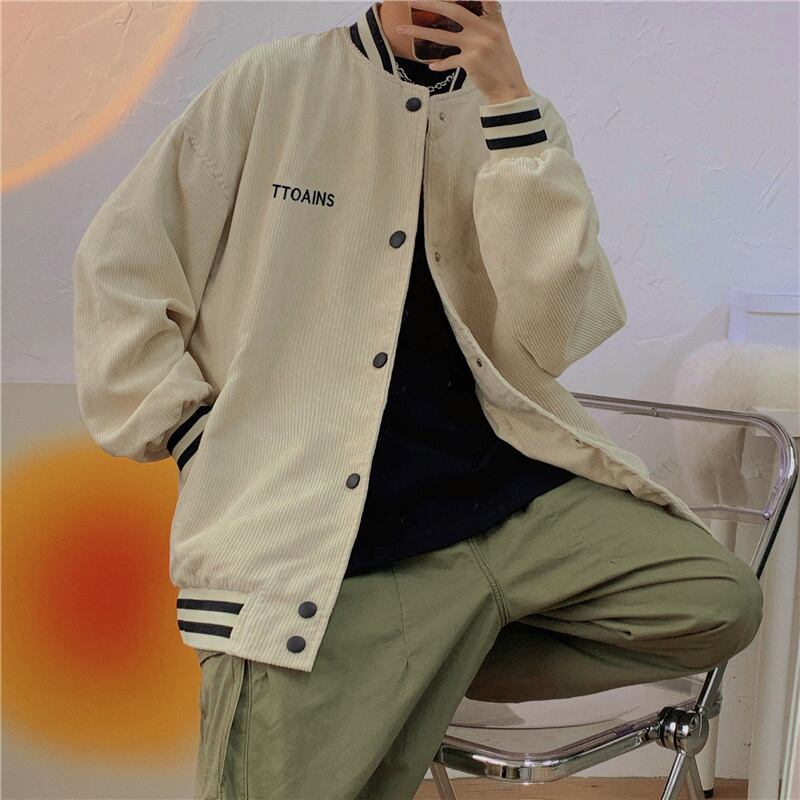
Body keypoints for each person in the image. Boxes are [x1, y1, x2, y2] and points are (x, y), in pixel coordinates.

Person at [71, 2, 764, 798]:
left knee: (719, 602)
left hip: (506, 496)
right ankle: (417, 647)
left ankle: (435, 649)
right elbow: (121, 262)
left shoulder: (517, 118)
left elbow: (561, 332)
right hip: (329, 532)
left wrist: (510, 108)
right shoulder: (276, 83)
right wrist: (192, 432)